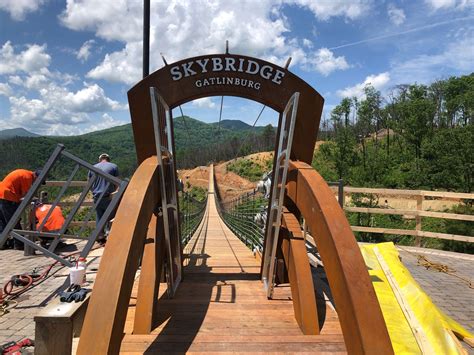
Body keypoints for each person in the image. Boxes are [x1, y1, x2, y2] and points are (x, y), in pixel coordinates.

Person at [0, 169, 42, 250]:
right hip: (8, 196)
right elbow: (26, 194)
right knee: (14, 221)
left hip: (1, 194)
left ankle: (2, 243)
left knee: (2, 221)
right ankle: (19, 244)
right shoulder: (27, 177)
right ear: (36, 177)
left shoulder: (24, 173)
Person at [88, 153, 118, 244]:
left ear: (100, 159)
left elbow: (89, 184)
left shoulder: (92, 167)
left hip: (97, 196)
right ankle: (110, 235)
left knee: (99, 216)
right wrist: (116, 193)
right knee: (111, 215)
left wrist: (94, 192)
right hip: (109, 195)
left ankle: (100, 236)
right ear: (108, 159)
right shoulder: (113, 166)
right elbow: (117, 183)